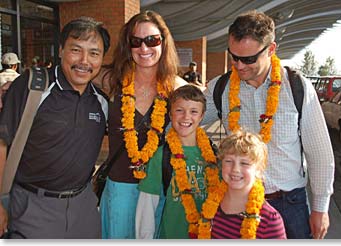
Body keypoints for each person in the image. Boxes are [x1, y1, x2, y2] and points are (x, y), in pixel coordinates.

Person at [202, 10, 334, 239]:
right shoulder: (220, 88)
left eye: (249, 59)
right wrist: (224, 143)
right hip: (236, 204)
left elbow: (319, 152)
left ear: (271, 49)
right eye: (234, 57)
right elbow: (191, 124)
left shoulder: (295, 87)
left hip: (288, 204)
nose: (240, 65)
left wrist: (320, 207)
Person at [0, 16, 110, 238]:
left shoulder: (101, 101)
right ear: (60, 50)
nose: (84, 61)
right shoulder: (33, 87)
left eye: (94, 53)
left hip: (84, 207)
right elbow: (2, 143)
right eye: (76, 50)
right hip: (33, 207)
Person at [94, 10, 186, 239]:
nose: (144, 49)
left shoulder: (176, 87)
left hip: (158, 190)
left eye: (152, 40)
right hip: (119, 189)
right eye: (137, 42)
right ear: (128, 46)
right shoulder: (111, 80)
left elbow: (206, 109)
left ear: (163, 43)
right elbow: (73, 71)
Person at [136, 84, 219, 239]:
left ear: (202, 116)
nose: (186, 117)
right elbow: (146, 207)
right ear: (170, 114)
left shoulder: (214, 157)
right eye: (179, 110)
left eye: (193, 111)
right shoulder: (161, 155)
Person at [197, 129, 286, 239]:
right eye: (229, 161)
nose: (236, 169)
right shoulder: (210, 205)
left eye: (244, 163)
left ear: (258, 169)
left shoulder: (269, 220)